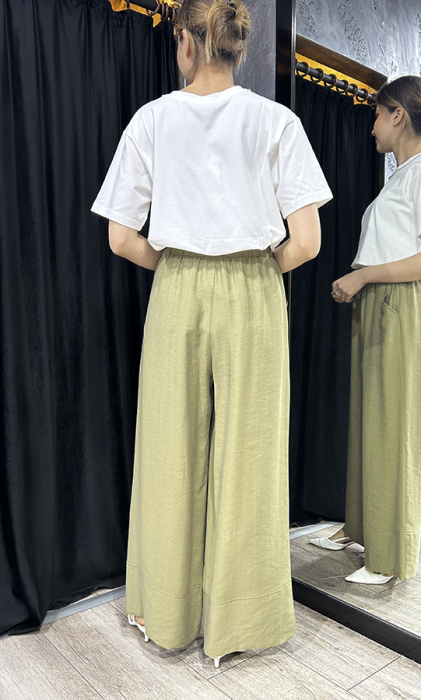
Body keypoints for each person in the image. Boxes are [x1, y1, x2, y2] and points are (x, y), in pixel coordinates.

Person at [91, 0, 332, 665]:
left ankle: (166, 615)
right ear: (235, 46)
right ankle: (242, 622)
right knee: (250, 454)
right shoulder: (277, 121)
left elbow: (121, 238)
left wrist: (178, 268)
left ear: (186, 43)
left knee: (169, 449)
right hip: (254, 289)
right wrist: (253, 272)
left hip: (177, 290)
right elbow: (307, 242)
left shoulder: (152, 120)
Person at [310, 76, 421, 585]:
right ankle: (362, 527)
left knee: (391, 422)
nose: (371, 124)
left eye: (377, 113)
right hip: (380, 301)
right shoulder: (401, 176)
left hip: (398, 303)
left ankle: (389, 553)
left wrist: (363, 276)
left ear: (399, 115)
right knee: (368, 417)